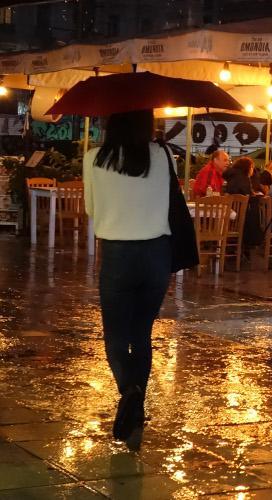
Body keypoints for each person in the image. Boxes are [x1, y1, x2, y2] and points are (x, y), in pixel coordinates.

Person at [82, 109, 170, 451]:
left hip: (117, 254)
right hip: (157, 255)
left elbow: (91, 209)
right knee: (141, 334)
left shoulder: (94, 158)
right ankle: (136, 409)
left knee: (116, 338)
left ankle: (129, 393)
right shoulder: (162, 155)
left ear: (111, 122)